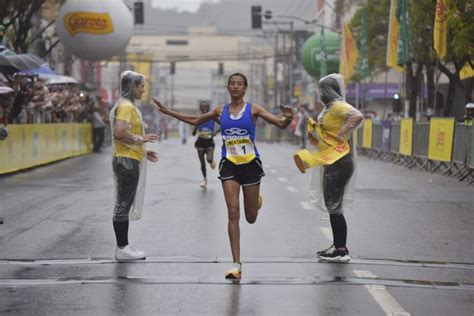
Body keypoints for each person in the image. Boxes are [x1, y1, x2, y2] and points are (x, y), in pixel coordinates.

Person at [153, 72, 293, 280]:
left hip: (251, 165)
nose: (235, 87)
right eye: (232, 84)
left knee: (251, 217)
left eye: (239, 84)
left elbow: (280, 124)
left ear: (245, 88)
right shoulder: (220, 111)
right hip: (229, 166)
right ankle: (236, 264)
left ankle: (255, 200)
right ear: (228, 88)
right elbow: (196, 120)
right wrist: (169, 112)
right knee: (233, 212)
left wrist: (288, 117)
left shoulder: (254, 109)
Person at [308, 74, 363, 262]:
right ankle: (338, 246)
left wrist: (341, 133)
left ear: (328, 91)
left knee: (335, 206)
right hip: (333, 159)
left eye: (321, 90)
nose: (319, 94)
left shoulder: (338, 106)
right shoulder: (330, 107)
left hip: (340, 161)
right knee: (333, 204)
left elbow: (357, 116)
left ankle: (341, 250)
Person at [109, 71, 160, 261]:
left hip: (128, 157)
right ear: (132, 87)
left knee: (124, 203)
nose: (144, 89)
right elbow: (119, 132)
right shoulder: (126, 107)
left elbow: (124, 135)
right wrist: (141, 138)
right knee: (123, 204)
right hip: (126, 161)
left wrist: (144, 150)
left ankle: (124, 246)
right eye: (141, 86)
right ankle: (122, 248)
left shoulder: (127, 106)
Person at [191, 101, 219, 188]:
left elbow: (223, 125)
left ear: (208, 108)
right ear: (200, 109)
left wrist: (215, 132)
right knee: (202, 163)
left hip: (209, 142)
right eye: (202, 108)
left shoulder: (213, 117)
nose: (204, 109)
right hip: (200, 142)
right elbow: (193, 133)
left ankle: (212, 161)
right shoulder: (198, 118)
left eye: (206, 108)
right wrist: (196, 126)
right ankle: (204, 179)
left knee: (209, 160)